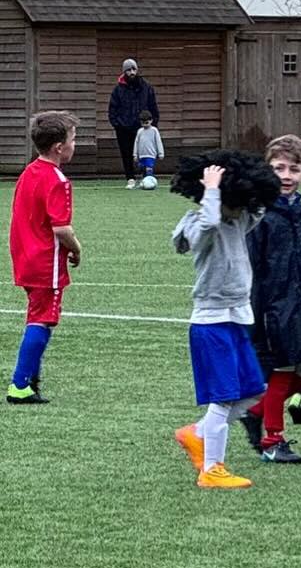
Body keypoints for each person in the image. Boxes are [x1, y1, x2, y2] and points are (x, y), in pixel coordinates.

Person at [171, 152, 280, 489]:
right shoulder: (197, 222)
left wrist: (274, 180)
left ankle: (199, 433)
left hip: (236, 318)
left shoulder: (240, 219)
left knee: (251, 392)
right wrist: (212, 191)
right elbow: (207, 225)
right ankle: (212, 469)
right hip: (210, 323)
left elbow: (260, 209)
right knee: (222, 398)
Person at [240, 134, 301, 464]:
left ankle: (255, 411)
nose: (285, 175)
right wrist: (259, 308)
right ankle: (272, 441)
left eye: (293, 169)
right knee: (281, 371)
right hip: (273, 307)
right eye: (278, 167)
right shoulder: (259, 216)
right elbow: (251, 267)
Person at [8, 110, 81, 405]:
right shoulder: (57, 180)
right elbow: (61, 228)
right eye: (73, 139)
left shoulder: (29, 172)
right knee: (43, 319)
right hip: (44, 260)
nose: (75, 144)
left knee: (36, 317)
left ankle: (31, 379)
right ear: (59, 147)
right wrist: (76, 248)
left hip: (25, 255)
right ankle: (19, 384)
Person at [108, 58, 160, 188]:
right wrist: (117, 124)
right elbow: (112, 108)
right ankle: (130, 178)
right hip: (124, 128)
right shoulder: (118, 90)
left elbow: (153, 106)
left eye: (133, 69)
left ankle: (146, 177)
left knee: (144, 153)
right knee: (126, 153)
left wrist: (153, 124)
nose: (132, 72)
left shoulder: (146, 87)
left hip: (142, 127)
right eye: (128, 70)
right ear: (124, 72)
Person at [133, 110, 165, 189]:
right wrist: (135, 154)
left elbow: (158, 142)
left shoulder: (154, 130)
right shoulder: (140, 131)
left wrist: (161, 153)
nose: (145, 125)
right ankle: (144, 182)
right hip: (142, 155)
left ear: (151, 121)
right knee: (142, 169)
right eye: (143, 123)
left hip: (150, 155)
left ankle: (150, 183)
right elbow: (136, 143)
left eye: (147, 122)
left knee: (149, 169)